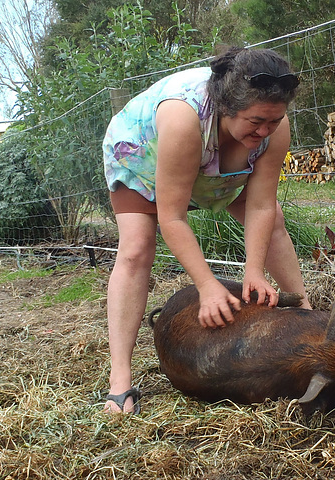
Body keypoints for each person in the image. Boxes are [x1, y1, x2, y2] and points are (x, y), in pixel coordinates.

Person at [101, 46, 312, 414]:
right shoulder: (184, 117)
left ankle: (311, 318)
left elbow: (260, 204)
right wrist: (208, 286)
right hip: (144, 153)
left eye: (273, 121)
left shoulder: (273, 126)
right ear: (227, 106)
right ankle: (120, 379)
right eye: (256, 121)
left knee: (273, 219)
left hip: (214, 165)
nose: (264, 131)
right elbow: (174, 216)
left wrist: (253, 271)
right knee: (137, 248)